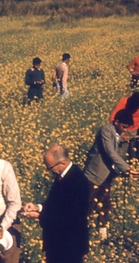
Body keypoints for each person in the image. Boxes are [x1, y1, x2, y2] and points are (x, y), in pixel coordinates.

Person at [22, 145, 89, 263]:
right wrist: (38, 207)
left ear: (62, 163)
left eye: (50, 167)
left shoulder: (78, 182)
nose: (49, 171)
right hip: (56, 242)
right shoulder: (61, 176)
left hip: (69, 245)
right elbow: (55, 204)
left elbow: (70, 217)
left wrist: (39, 216)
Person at [83, 109, 139, 240]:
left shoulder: (121, 134)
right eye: (123, 127)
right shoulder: (106, 130)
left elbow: (120, 153)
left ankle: (102, 234)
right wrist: (127, 169)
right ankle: (82, 231)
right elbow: (110, 152)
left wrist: (125, 142)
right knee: (88, 204)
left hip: (108, 175)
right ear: (116, 122)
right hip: (95, 174)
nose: (125, 130)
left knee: (104, 203)